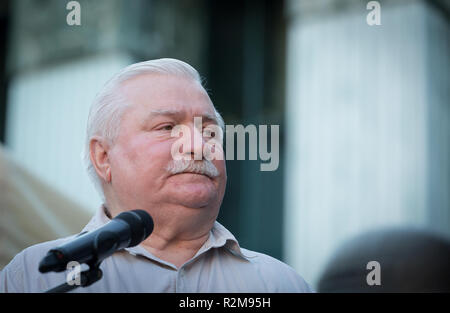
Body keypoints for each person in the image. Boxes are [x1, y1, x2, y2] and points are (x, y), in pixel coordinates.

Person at [0, 58, 312, 292]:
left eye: (210, 131)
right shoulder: (32, 277)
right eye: (167, 128)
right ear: (103, 157)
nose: (198, 146)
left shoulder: (281, 285)